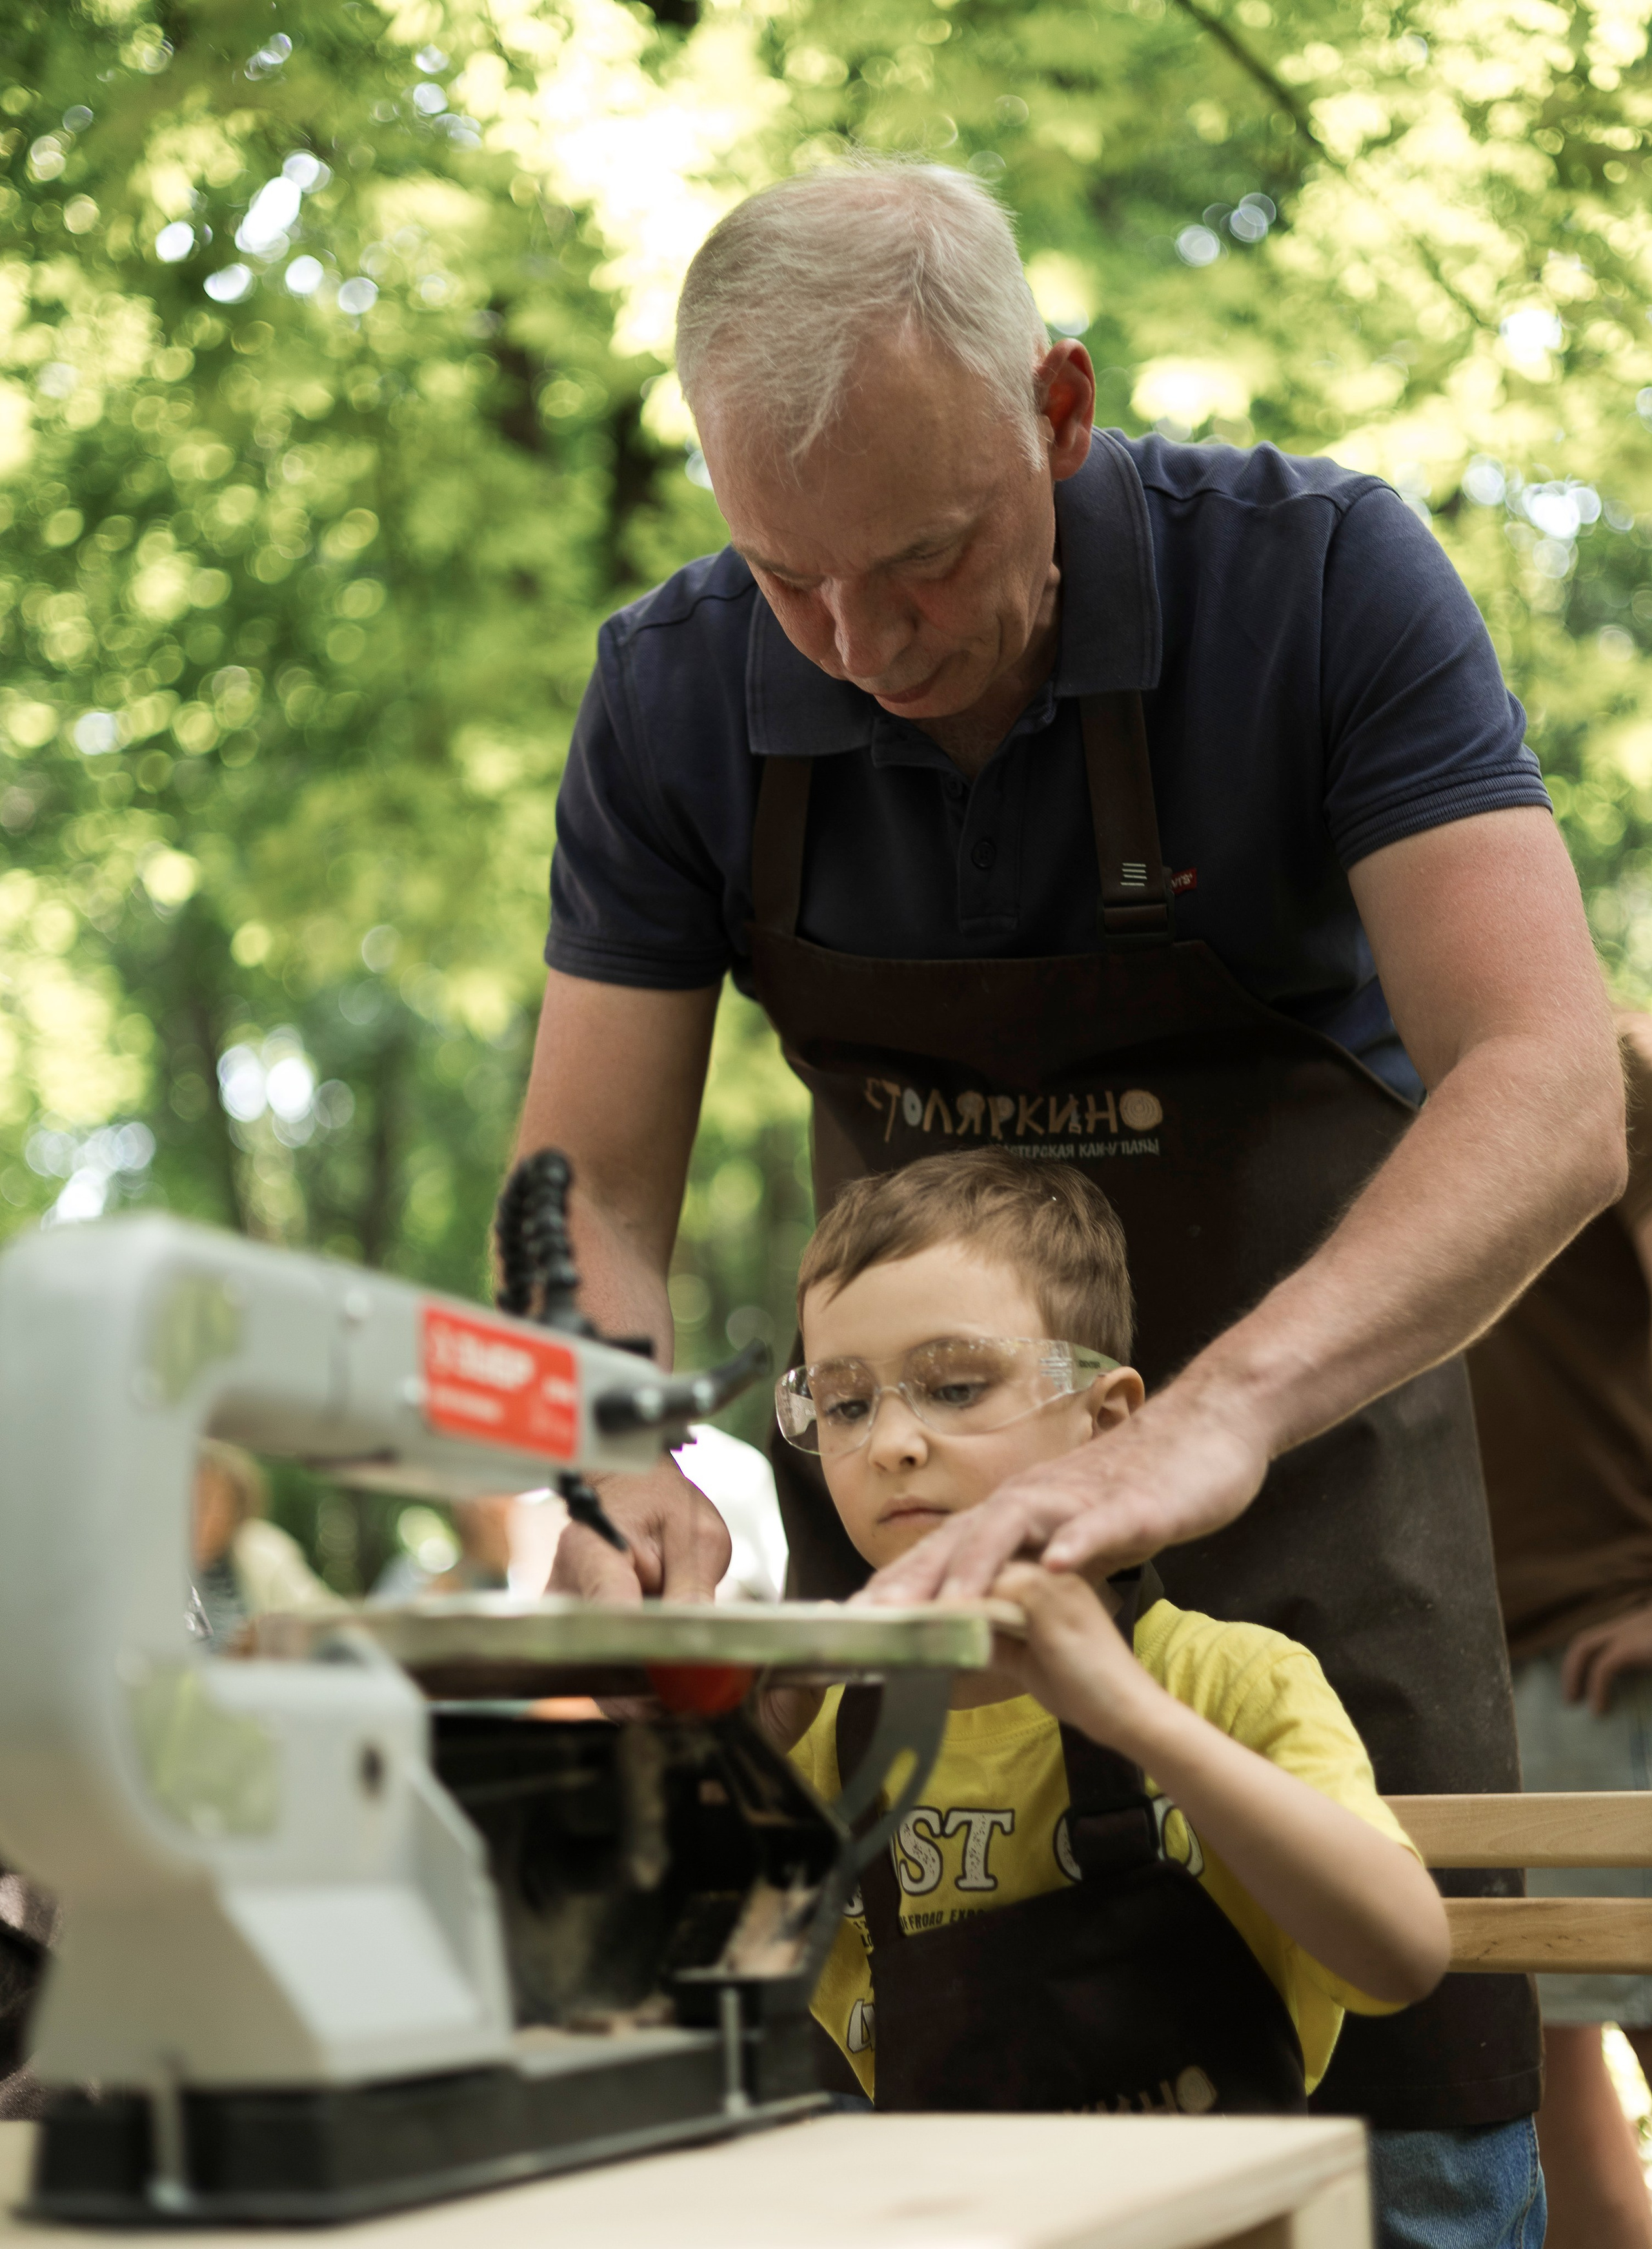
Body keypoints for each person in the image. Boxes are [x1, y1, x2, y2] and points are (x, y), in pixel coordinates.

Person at [519, 157, 1623, 2237]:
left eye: (922, 560)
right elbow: (593, 1196)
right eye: (788, 578)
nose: (860, 643)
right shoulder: (669, 696)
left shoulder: (1316, 583)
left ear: (1055, 411)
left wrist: (1212, 1414)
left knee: (1402, 2145)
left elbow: (1549, 1088)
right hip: (920, 1660)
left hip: (1315, 1535)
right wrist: (605, 1440)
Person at [762, 1153, 1453, 2123]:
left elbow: (1405, 1957)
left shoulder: (1229, 1682)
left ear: (1108, 1421)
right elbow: (655, 1992)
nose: (890, 1444)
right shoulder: (823, 1739)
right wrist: (734, 1743)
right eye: (844, 1403)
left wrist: (1134, 1718)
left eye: (955, 1385)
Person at [1469, 1015, 1652, 2248]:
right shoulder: (1348, 1077)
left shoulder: (1596, 1066)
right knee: (1548, 2053)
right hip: (1486, 1650)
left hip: (1606, 1647)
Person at [190, 1442, 340, 1642]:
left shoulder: (262, 1552)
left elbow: (326, 1617)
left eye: (227, 1505)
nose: (214, 1519)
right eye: (203, 1502)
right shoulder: (146, 1562)